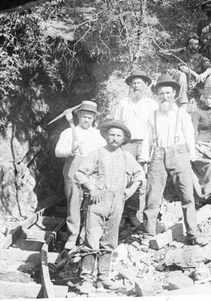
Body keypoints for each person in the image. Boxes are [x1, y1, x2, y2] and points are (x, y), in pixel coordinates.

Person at [74, 120, 144, 293]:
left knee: (110, 242)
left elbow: (140, 174)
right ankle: (86, 279)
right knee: (91, 241)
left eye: (118, 135)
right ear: (105, 136)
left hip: (117, 203)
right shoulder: (97, 153)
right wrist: (91, 186)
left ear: (124, 139)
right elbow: (79, 173)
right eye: (111, 134)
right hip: (97, 203)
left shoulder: (126, 156)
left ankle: (103, 278)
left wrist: (131, 189)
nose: (114, 138)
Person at [139, 75, 204, 246]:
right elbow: (147, 138)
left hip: (179, 153)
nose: (164, 97)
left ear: (174, 94)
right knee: (152, 195)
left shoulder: (181, 113)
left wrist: (191, 156)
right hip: (158, 155)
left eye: (168, 93)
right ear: (157, 96)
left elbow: (190, 135)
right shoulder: (152, 115)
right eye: (161, 94)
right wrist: (144, 159)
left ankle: (192, 233)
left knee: (187, 196)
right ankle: (148, 234)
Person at [55, 100, 106, 251]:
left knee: (90, 204)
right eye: (84, 117)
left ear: (94, 119)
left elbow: (103, 154)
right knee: (73, 203)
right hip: (73, 169)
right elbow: (58, 152)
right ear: (78, 117)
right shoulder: (68, 133)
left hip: (91, 173)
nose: (87, 120)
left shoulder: (98, 136)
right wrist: (70, 150)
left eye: (90, 118)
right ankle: (72, 236)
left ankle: (85, 236)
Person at [114, 70, 158, 227]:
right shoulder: (123, 103)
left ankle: (133, 213)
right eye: (133, 83)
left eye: (139, 82)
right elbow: (116, 125)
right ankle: (120, 214)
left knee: (139, 180)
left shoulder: (152, 105)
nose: (136, 85)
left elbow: (156, 127)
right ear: (130, 86)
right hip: (126, 144)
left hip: (146, 143)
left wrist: (150, 149)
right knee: (123, 179)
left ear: (145, 85)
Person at [176, 33, 211, 108]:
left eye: (196, 44)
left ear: (199, 46)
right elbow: (183, 68)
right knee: (182, 75)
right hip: (187, 85)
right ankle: (182, 102)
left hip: (199, 84)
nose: (193, 46)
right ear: (187, 46)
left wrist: (204, 74)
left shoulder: (203, 58)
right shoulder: (183, 57)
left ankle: (206, 101)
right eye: (191, 44)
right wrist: (195, 74)